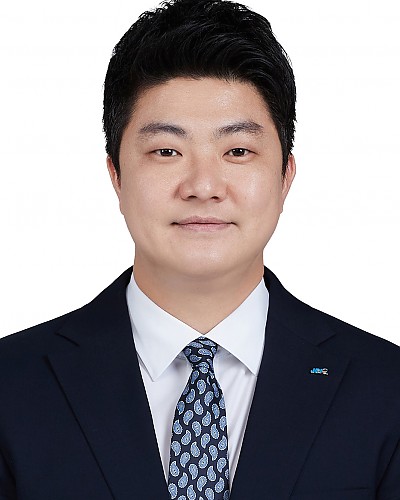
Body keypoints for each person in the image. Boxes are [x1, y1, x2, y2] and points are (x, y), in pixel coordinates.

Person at [0, 0, 399, 498]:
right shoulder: (12, 387)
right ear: (116, 176)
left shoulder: (386, 389)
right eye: (167, 151)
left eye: (238, 151)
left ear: (285, 177)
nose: (204, 186)